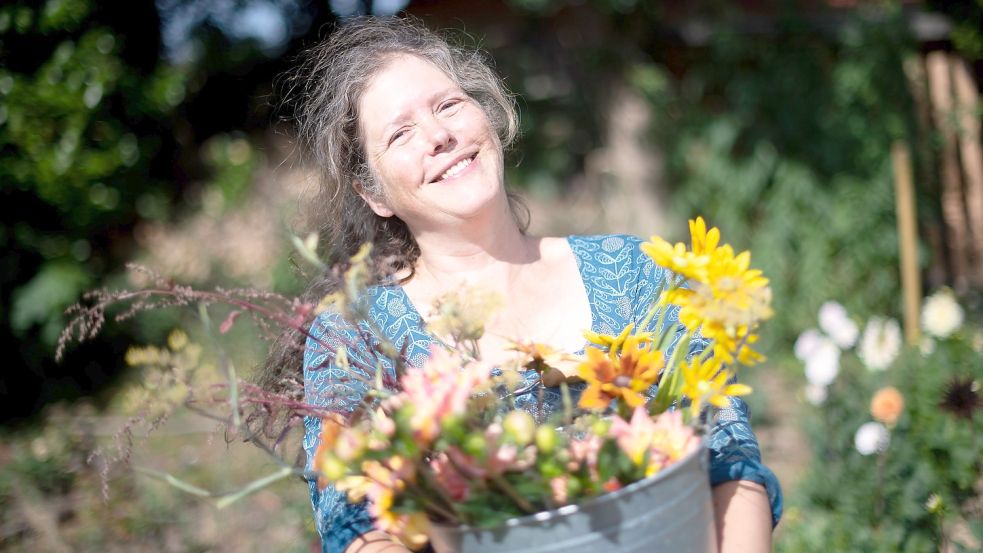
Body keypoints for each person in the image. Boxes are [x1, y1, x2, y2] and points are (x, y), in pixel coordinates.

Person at [288, 16, 781, 553]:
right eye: (400, 133)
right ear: (372, 192)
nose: (439, 136)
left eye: (448, 105)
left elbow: (729, 461)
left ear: (489, 116)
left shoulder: (633, 272)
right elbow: (355, 528)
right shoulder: (354, 334)